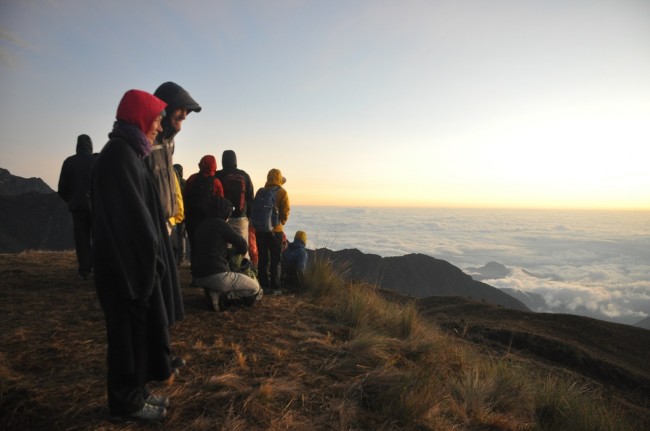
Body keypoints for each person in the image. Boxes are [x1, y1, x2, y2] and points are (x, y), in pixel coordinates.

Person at [92, 89, 183, 423]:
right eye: (157, 119)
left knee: (136, 335)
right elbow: (130, 220)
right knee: (124, 339)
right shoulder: (119, 156)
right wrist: (149, 263)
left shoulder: (129, 152)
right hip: (124, 270)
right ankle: (124, 403)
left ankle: (138, 392)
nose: (159, 127)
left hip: (133, 268)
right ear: (140, 117)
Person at [145, 81, 201, 235]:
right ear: (165, 108)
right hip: (147, 225)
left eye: (187, 110)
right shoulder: (145, 142)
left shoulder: (169, 143)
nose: (184, 115)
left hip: (167, 223)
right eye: (180, 108)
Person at [191, 195, 262, 312]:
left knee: (216, 278)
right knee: (254, 288)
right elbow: (242, 244)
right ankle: (225, 296)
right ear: (225, 212)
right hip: (217, 275)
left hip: (198, 276)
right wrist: (236, 254)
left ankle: (214, 293)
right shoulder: (220, 224)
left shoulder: (201, 225)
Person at [57, 134, 97, 280]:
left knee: (81, 239)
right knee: (98, 238)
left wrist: (71, 200)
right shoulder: (96, 160)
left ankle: (84, 270)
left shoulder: (69, 162)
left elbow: (62, 188)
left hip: (77, 207)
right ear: (90, 145)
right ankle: (99, 267)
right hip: (96, 207)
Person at [254, 168, 290, 295]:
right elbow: (285, 211)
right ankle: (275, 287)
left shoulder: (260, 191)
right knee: (276, 259)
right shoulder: (282, 192)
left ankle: (263, 285)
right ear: (280, 179)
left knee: (263, 258)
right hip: (275, 231)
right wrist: (281, 223)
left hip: (260, 230)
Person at [215, 150, 255, 259]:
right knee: (242, 246)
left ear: (223, 160)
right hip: (241, 218)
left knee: (225, 247)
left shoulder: (218, 175)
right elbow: (250, 198)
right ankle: (243, 270)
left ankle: (227, 270)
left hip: (223, 218)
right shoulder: (244, 175)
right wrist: (249, 216)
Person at [183, 155, 224, 247]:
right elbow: (220, 203)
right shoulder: (217, 183)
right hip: (209, 222)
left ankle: (194, 261)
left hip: (192, 220)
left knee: (194, 247)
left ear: (201, 165)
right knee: (207, 248)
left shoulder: (192, 178)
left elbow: (184, 197)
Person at [172, 164, 188, 266]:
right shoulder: (185, 183)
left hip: (171, 213)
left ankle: (172, 257)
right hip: (182, 212)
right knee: (181, 235)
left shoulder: (171, 182)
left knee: (171, 236)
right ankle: (181, 259)